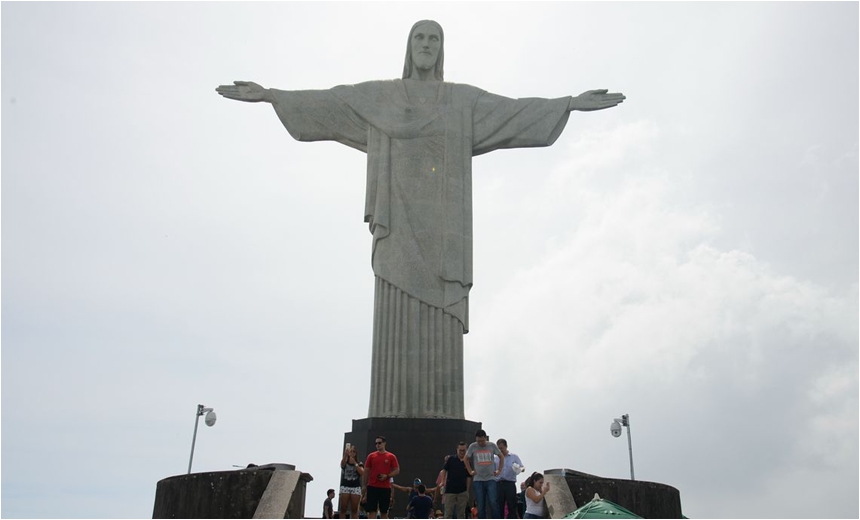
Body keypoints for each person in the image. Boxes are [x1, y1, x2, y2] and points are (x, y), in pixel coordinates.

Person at [216, 21, 625, 421]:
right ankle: (390, 410)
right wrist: (271, 96)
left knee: (442, 308)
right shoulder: (382, 97)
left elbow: (513, 112)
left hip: (444, 233)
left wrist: (567, 103)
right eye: (419, 37)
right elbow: (331, 102)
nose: (426, 44)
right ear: (409, 46)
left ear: (441, 49)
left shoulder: (463, 101)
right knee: (394, 303)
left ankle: (440, 414)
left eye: (434, 38)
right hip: (395, 222)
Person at [464, 430, 503, 518]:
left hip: (490, 478)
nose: (480, 443)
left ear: (485, 438)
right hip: (478, 479)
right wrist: (470, 471)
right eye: (478, 441)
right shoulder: (473, 446)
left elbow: (501, 456)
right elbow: (466, 458)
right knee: (480, 505)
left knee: (493, 502)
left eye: (482, 441)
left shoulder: (491, 445)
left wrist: (499, 470)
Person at [362, 436, 400, 519]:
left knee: (384, 511)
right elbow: (366, 471)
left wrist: (387, 476)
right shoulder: (371, 456)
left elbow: (397, 470)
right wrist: (364, 485)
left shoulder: (391, 456)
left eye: (379, 443)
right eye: (376, 443)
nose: (377, 445)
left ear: (384, 443)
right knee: (372, 510)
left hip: (385, 487)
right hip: (372, 486)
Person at [440, 442, 471, 518]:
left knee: (461, 514)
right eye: (460, 450)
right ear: (457, 450)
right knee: (448, 513)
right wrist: (442, 482)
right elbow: (444, 470)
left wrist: (467, 490)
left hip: (462, 491)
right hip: (450, 490)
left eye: (464, 450)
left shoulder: (468, 462)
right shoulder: (451, 459)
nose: (462, 452)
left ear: (466, 450)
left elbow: (469, 477)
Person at [494, 439, 524, 518]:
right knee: (499, 505)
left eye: (501, 448)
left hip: (510, 483)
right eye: (498, 448)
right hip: (499, 484)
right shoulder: (495, 458)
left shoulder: (514, 457)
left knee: (512, 505)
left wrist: (519, 469)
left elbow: (522, 467)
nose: (500, 450)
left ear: (506, 447)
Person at [340, 444, 366, 518]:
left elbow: (362, 472)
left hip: (355, 487)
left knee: (354, 509)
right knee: (343, 508)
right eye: (350, 451)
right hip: (345, 486)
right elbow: (342, 465)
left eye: (354, 451)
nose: (352, 453)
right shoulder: (345, 461)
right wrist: (345, 454)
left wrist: (355, 463)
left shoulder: (359, 463)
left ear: (356, 453)